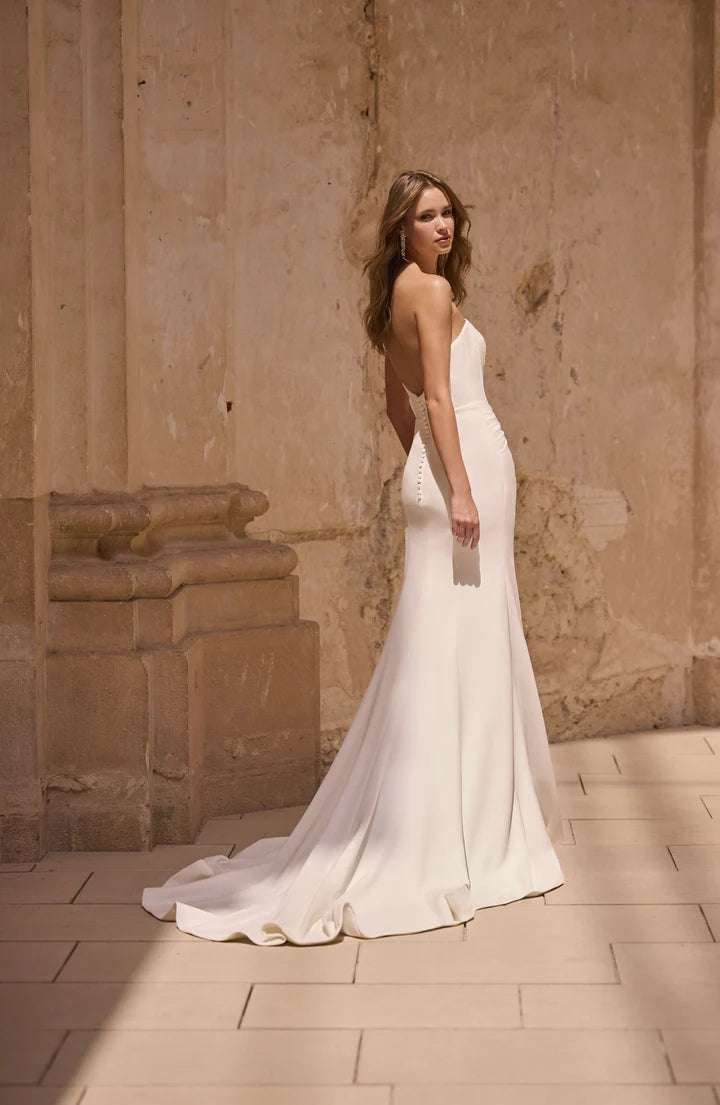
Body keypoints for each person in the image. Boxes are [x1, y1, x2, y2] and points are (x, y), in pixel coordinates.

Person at [141, 169, 565, 945]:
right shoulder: (431, 295)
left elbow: (392, 402)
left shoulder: (394, 295)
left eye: (447, 214)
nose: (442, 227)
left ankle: (450, 813)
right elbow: (437, 398)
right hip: (463, 473)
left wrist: (424, 474)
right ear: (401, 228)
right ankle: (467, 831)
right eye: (426, 217)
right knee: (462, 641)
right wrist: (459, 488)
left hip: (435, 474)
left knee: (440, 641)